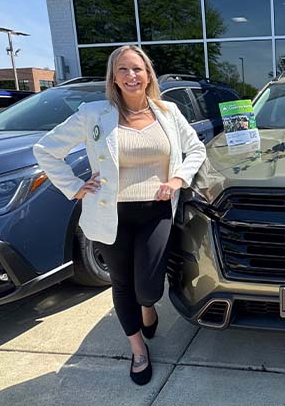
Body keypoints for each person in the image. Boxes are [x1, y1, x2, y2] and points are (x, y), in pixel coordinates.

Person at [33, 45, 206, 386]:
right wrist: (75, 186)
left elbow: (196, 148)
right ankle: (138, 349)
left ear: (148, 75)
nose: (131, 76)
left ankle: (148, 307)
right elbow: (46, 150)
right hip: (109, 215)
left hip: (156, 211)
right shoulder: (93, 114)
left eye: (137, 69)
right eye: (123, 70)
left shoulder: (168, 112)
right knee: (122, 283)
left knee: (149, 286)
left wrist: (177, 179)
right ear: (113, 77)